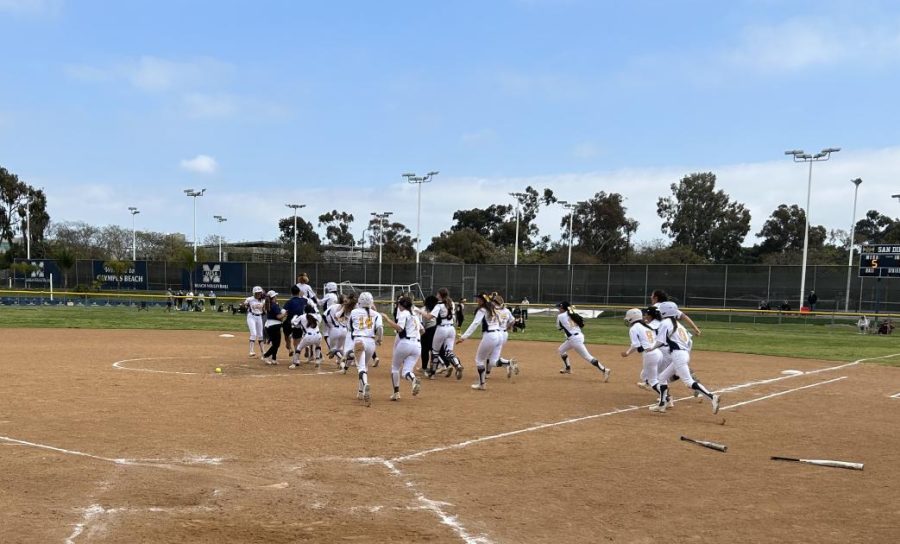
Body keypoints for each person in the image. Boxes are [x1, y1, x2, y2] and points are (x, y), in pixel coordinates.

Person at [648, 301, 720, 414]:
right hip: (683, 354)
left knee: (688, 381)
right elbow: (689, 341)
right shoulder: (678, 324)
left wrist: (651, 348)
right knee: (662, 378)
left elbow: (660, 341)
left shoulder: (665, 323)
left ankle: (712, 397)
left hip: (678, 355)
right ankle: (662, 404)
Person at [555, 301, 611, 381]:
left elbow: (559, 328)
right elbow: (578, 323)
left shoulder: (560, 316)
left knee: (587, 357)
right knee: (561, 350)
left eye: (559, 307)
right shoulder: (572, 314)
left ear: (562, 308)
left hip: (575, 339)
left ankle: (605, 370)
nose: (558, 309)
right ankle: (568, 368)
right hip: (576, 337)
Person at [458, 293, 503, 390]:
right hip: (498, 334)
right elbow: (500, 321)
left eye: (478, 299)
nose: (476, 300)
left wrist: (464, 337)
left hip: (490, 335)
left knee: (479, 360)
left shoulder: (482, 310)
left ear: (482, 300)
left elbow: (475, 324)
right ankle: (482, 382)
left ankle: (482, 384)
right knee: (486, 358)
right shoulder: (492, 308)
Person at [381, 295, 423, 401]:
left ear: (401, 305)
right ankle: (413, 379)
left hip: (405, 343)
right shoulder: (415, 316)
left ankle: (396, 393)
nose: (397, 306)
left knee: (395, 368)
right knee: (406, 372)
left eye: (398, 304)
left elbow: (399, 328)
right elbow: (422, 331)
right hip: (417, 345)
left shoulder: (404, 313)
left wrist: (387, 319)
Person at [621, 308, 663, 405]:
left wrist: (636, 351)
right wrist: (627, 353)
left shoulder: (634, 328)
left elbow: (636, 345)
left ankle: (666, 397)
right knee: (644, 376)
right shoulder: (647, 326)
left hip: (650, 354)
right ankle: (664, 393)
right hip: (658, 352)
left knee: (652, 380)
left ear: (632, 318)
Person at [347, 292, 383, 406]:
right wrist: (379, 339)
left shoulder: (354, 312)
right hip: (371, 342)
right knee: (365, 367)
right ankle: (361, 391)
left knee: (361, 367)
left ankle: (366, 384)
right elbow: (380, 328)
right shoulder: (376, 314)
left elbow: (349, 327)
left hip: (359, 340)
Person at [424, 288, 463, 380]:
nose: (436, 295)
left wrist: (419, 311)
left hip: (441, 329)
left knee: (435, 351)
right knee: (448, 351)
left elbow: (429, 317)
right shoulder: (451, 303)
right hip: (451, 329)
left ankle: (432, 374)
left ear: (440, 295)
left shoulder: (439, 305)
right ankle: (457, 364)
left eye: (437, 294)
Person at [282, 285, 308, 358]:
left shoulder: (289, 302)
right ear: (298, 292)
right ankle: (305, 348)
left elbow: (283, 312)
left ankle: (289, 347)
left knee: (286, 335)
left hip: (289, 322)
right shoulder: (304, 300)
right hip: (300, 323)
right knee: (298, 339)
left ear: (291, 293)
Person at [261, 291, 286, 365]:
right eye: (275, 296)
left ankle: (274, 359)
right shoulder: (274, 305)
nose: (276, 297)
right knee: (276, 344)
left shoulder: (269, 304)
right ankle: (266, 356)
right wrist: (285, 314)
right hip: (274, 326)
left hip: (269, 325)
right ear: (273, 297)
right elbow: (278, 316)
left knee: (275, 343)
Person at [242, 286, 266, 357]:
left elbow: (265, 308)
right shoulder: (250, 299)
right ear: (254, 293)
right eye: (257, 293)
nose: (258, 294)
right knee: (253, 333)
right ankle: (251, 351)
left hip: (259, 317)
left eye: (259, 293)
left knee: (261, 335)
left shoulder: (263, 300)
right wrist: (244, 305)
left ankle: (263, 352)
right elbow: (244, 304)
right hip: (251, 316)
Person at [418, 294, 439, 374]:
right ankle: (434, 367)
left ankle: (424, 367)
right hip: (435, 329)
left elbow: (421, 322)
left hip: (427, 330)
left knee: (425, 350)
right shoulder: (436, 309)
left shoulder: (423, 309)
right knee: (434, 350)